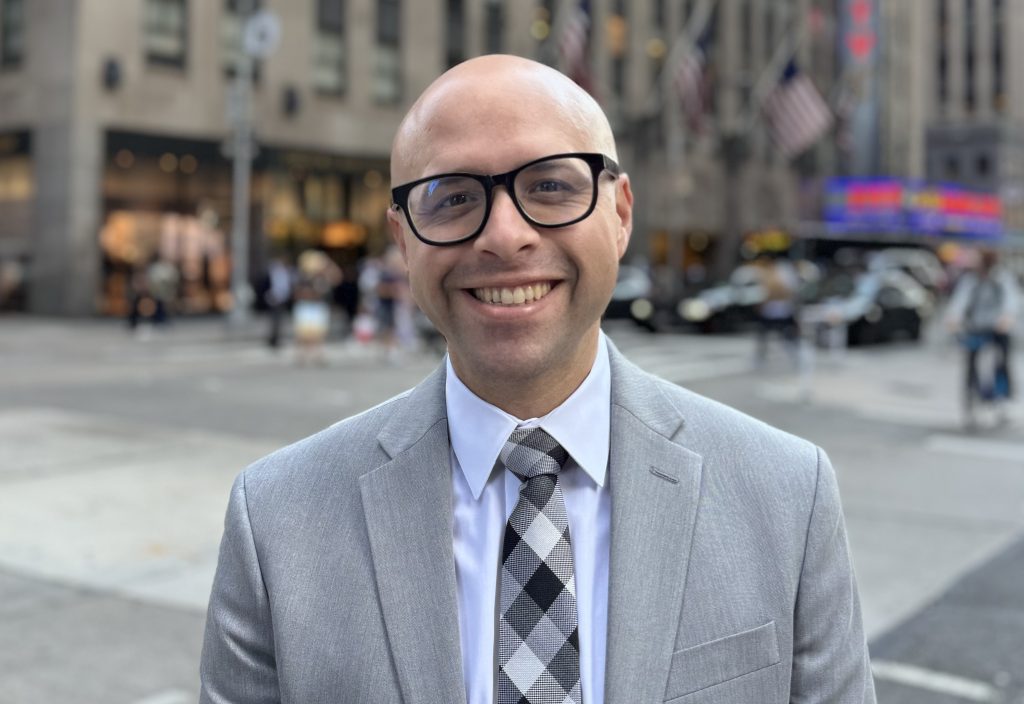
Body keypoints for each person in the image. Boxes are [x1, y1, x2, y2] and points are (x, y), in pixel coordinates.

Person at [200, 55, 875, 703]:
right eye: (452, 196)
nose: (505, 235)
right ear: (403, 241)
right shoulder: (277, 520)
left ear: (620, 213)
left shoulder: (788, 495)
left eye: (550, 185)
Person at [946, 247, 1020, 427]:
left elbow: (1011, 298)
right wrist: (954, 317)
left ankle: (1001, 404)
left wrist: (1007, 317)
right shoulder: (971, 279)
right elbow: (960, 300)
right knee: (971, 367)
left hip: (997, 330)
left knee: (1001, 365)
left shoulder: (1001, 277)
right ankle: (970, 405)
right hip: (976, 329)